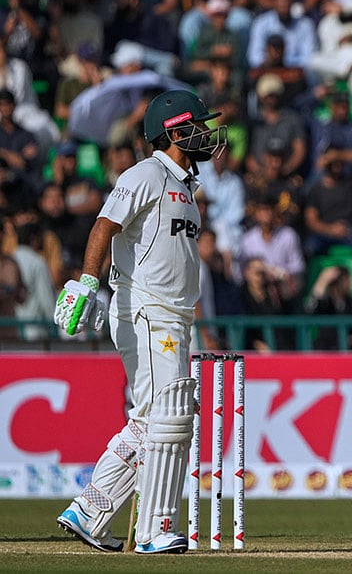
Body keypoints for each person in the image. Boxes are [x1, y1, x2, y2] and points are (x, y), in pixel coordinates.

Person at [53, 89, 227, 554]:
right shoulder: (146, 173)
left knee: (152, 420)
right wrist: (87, 283)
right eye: (199, 126)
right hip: (146, 309)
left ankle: (90, 508)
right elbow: (104, 225)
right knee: (169, 418)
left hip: (172, 316)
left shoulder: (186, 188)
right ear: (174, 131)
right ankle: (154, 529)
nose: (207, 135)